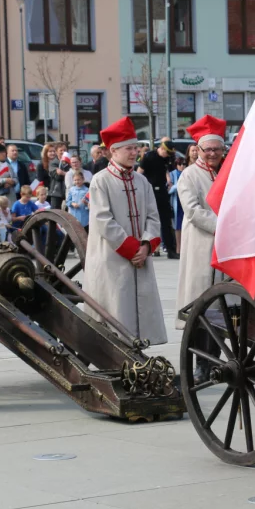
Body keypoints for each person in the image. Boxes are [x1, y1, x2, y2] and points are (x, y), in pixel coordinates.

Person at [86, 116, 166, 345]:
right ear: (113, 151)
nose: (135, 153)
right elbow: (102, 220)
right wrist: (132, 249)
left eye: (136, 148)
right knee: (116, 314)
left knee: (139, 318)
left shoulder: (142, 181)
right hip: (112, 259)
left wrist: (146, 245)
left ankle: (137, 361)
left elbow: (153, 217)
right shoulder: (100, 181)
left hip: (139, 256)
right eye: (129, 148)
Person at [176, 115, 226, 341]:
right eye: (208, 149)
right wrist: (223, 226)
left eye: (217, 149)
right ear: (198, 149)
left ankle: (215, 356)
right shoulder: (188, 175)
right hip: (201, 243)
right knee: (200, 302)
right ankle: (200, 364)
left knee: (222, 305)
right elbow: (193, 211)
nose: (213, 153)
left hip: (225, 246)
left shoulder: (226, 173)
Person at [138, 139, 178, 259]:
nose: (168, 156)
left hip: (162, 191)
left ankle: (170, 249)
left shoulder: (166, 158)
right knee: (148, 221)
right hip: (150, 192)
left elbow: (165, 170)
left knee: (166, 221)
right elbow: (139, 173)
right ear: (162, 148)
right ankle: (148, 248)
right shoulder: (149, 156)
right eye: (168, 152)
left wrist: (168, 180)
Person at [169, 156, 185, 254]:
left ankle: (183, 249)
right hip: (176, 203)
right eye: (180, 164)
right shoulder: (172, 174)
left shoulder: (187, 173)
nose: (182, 166)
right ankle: (178, 249)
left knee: (184, 226)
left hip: (185, 202)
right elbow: (169, 190)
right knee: (177, 227)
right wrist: (178, 185)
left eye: (183, 164)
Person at [48, 145, 70, 211]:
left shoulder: (70, 163)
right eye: (61, 150)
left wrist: (63, 173)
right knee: (55, 214)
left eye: (65, 150)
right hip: (56, 193)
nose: (63, 152)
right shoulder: (53, 163)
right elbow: (58, 177)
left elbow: (74, 175)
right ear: (57, 152)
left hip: (67, 192)